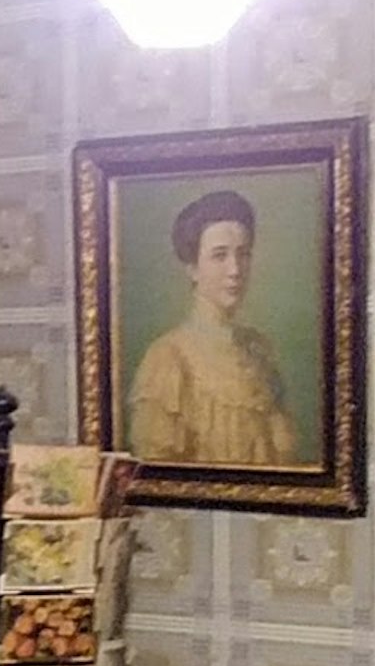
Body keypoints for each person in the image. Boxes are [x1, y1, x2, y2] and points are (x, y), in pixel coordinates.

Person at [129, 189, 303, 465]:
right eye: (219, 256)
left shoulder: (259, 349)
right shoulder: (168, 358)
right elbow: (159, 476)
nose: (235, 270)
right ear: (193, 268)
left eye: (243, 254)